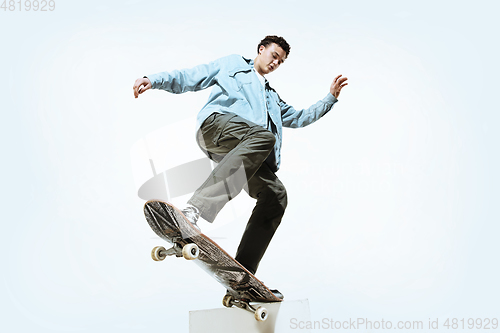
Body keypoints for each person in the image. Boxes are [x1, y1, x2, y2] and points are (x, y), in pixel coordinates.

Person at [133, 36, 348, 295]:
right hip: (216, 127)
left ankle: (241, 277)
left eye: (280, 61)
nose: (275, 62)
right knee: (264, 137)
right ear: (261, 50)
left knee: (276, 195)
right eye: (273, 55)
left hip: (245, 150)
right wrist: (154, 80)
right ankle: (194, 210)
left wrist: (330, 98)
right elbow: (193, 76)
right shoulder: (233, 64)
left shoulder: (272, 99)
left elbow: (300, 118)